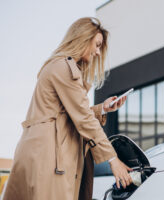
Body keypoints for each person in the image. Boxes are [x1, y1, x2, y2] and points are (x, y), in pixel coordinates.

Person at [2, 17, 132, 200]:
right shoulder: (64, 67)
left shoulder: (57, 66)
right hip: (49, 155)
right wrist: (113, 159)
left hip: (39, 151)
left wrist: (102, 109)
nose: (97, 52)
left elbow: (68, 113)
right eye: (97, 45)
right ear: (83, 38)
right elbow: (83, 117)